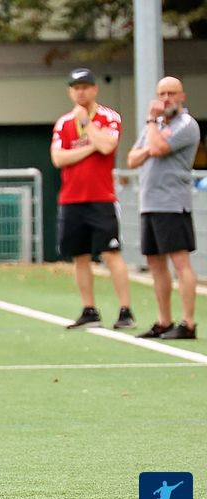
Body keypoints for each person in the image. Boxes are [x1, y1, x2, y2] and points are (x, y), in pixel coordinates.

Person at [50, 68, 135, 330]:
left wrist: (87, 124)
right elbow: (58, 158)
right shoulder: (64, 123)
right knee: (80, 255)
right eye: (76, 88)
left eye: (85, 87)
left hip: (101, 197)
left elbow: (108, 145)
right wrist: (90, 147)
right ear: (70, 91)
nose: (81, 92)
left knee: (111, 253)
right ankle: (89, 309)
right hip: (71, 198)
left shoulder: (109, 117)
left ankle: (125, 310)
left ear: (95, 89)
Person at [127, 76, 201, 339]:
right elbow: (132, 158)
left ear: (182, 96)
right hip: (149, 204)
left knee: (180, 262)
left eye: (171, 93)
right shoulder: (156, 126)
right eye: (162, 94)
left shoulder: (186, 125)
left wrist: (150, 125)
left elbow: (158, 149)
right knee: (155, 263)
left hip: (172, 204)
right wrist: (151, 139)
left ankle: (188, 323)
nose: (166, 99)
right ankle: (164, 321)